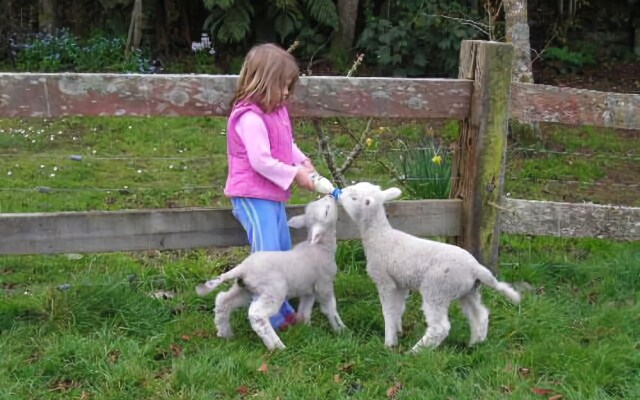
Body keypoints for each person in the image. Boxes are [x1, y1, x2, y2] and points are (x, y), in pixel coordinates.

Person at [223, 43, 316, 331]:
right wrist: (295, 174)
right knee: (266, 257)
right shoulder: (249, 117)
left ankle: (281, 307)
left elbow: (285, 144)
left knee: (281, 252)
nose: (287, 93)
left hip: (272, 195)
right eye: (283, 86)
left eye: (290, 87)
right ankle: (267, 315)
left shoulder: (276, 111)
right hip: (252, 196)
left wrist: (303, 161)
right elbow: (261, 161)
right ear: (261, 82)